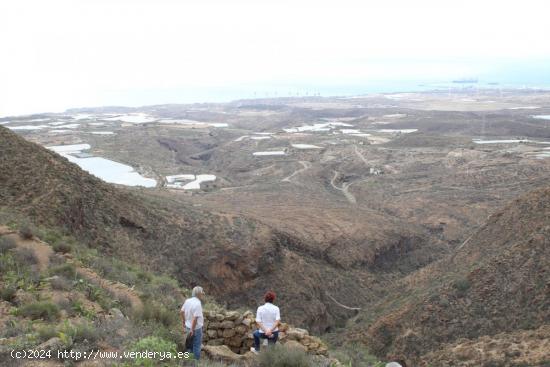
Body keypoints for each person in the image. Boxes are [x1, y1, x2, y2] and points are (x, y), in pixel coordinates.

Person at [180, 286, 205, 361]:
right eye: (202, 293)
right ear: (199, 294)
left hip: (188, 327)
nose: (203, 295)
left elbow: (181, 312)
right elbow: (195, 318)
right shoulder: (198, 303)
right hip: (196, 329)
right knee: (196, 346)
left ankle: (188, 362)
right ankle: (195, 363)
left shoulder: (187, 301)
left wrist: (184, 321)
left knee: (189, 346)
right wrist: (192, 329)